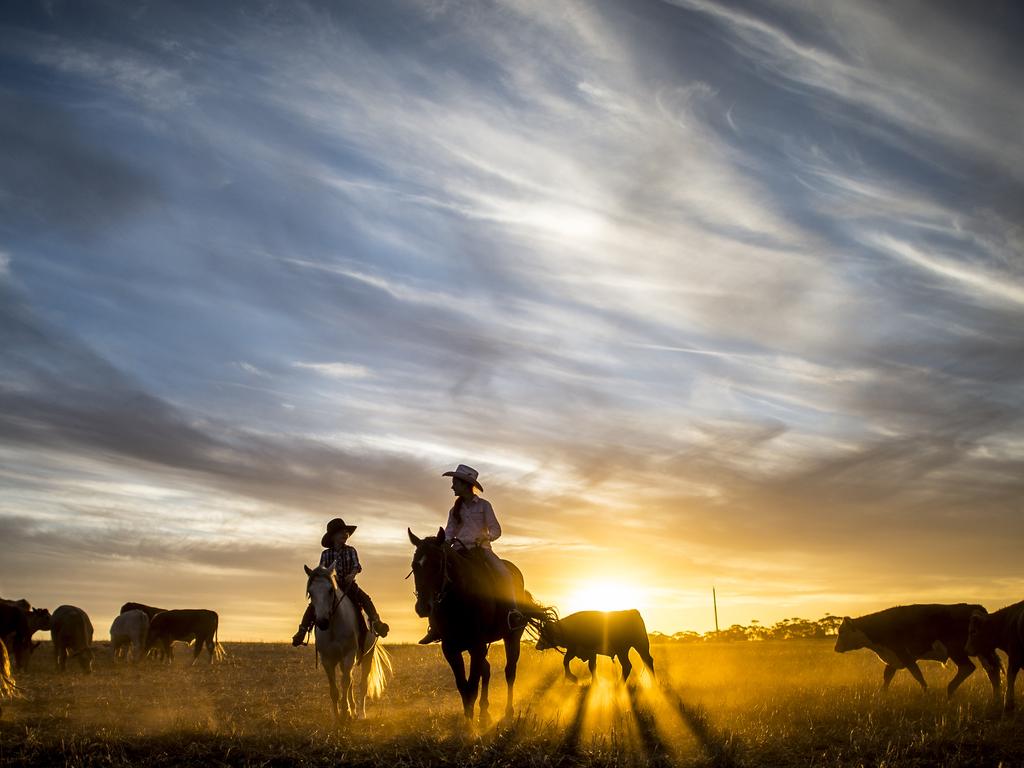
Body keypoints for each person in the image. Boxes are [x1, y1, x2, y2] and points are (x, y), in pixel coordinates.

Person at [419, 464, 523, 644]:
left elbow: (496, 529)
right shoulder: (454, 510)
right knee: (438, 578)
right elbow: (450, 530)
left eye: (455, 483)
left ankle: (513, 613)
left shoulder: (484, 505)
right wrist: (445, 542)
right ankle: (435, 626)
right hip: (459, 551)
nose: (452, 487)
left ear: (465, 485)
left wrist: (486, 537)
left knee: (504, 573)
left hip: (481, 550)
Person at [292, 518, 389, 646]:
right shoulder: (325, 554)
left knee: (365, 598)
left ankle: (377, 623)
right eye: (341, 533)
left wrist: (352, 575)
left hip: (349, 586)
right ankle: (302, 631)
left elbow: (357, 566)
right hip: (332, 587)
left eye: (346, 533)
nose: (345, 535)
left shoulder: (351, 550)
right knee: (313, 605)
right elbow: (322, 572)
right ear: (333, 537)